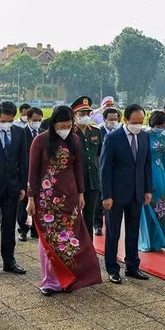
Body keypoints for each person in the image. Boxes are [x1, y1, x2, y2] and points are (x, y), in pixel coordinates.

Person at [26, 105, 102, 295]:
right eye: (62, 125)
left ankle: (68, 277)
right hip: (47, 198)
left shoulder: (74, 139)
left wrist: (81, 194)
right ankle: (49, 281)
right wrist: (31, 198)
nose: (66, 128)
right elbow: (32, 172)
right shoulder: (40, 141)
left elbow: (78, 169)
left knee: (69, 238)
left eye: (69, 124)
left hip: (70, 195)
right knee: (49, 239)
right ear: (53, 123)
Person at [100, 104, 153, 284]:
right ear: (125, 120)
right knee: (113, 233)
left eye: (141, 121)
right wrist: (106, 195)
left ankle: (132, 266)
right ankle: (112, 269)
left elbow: (147, 165)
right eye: (135, 122)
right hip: (115, 194)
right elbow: (105, 169)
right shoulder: (112, 138)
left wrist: (148, 189)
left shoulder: (144, 136)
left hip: (137, 193)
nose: (138, 125)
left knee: (133, 232)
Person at [0, 101, 28, 279]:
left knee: (9, 226)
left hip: (12, 187)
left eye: (10, 120)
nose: (6, 124)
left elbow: (23, 161)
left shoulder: (19, 132)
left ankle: (9, 261)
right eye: (3, 120)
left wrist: (23, 185)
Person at [139, 110, 165, 251]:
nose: (160, 128)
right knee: (148, 206)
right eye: (158, 125)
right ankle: (148, 241)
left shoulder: (163, 139)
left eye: (163, 126)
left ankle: (162, 239)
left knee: (162, 206)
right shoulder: (143, 136)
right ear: (152, 123)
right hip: (146, 174)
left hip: (160, 175)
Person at [72, 96, 103, 238]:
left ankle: (88, 249)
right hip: (75, 183)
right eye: (81, 113)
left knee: (89, 218)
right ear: (74, 114)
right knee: (74, 217)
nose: (85, 116)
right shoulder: (70, 133)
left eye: (87, 113)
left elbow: (100, 155)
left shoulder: (96, 132)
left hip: (93, 181)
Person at [94, 106, 121, 236]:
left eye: (115, 119)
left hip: (116, 169)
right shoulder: (98, 132)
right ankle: (97, 224)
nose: (113, 121)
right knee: (100, 196)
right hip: (101, 168)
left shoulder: (119, 131)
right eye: (111, 119)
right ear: (104, 119)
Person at [18, 106, 43, 241]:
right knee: (24, 202)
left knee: (39, 202)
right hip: (25, 172)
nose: (37, 122)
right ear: (28, 119)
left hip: (40, 174)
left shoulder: (44, 133)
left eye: (39, 120)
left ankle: (35, 229)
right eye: (34, 120)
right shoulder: (21, 133)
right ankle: (23, 229)